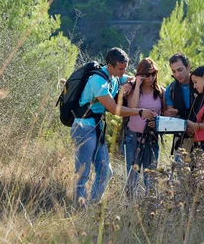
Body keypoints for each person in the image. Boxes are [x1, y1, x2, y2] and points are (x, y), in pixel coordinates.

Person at [72, 47, 155, 207]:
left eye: (125, 67)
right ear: (110, 66)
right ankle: (79, 209)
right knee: (82, 172)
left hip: (97, 128)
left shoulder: (115, 76)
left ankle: (93, 204)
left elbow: (130, 78)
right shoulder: (98, 81)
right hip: (83, 127)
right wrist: (141, 112)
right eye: (120, 68)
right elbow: (114, 109)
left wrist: (131, 83)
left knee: (106, 171)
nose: (124, 71)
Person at [123, 58, 165, 198]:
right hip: (133, 136)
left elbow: (164, 113)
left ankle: (150, 206)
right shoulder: (133, 90)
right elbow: (132, 108)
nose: (151, 78)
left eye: (154, 74)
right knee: (132, 175)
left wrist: (156, 122)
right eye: (147, 75)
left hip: (151, 137)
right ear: (141, 74)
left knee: (151, 175)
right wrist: (136, 84)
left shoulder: (160, 92)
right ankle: (130, 207)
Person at [164, 53, 195, 155]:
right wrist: (170, 115)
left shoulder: (200, 84)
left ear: (188, 67)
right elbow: (172, 118)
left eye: (180, 70)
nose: (177, 74)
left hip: (202, 137)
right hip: (181, 140)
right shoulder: (170, 90)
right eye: (174, 71)